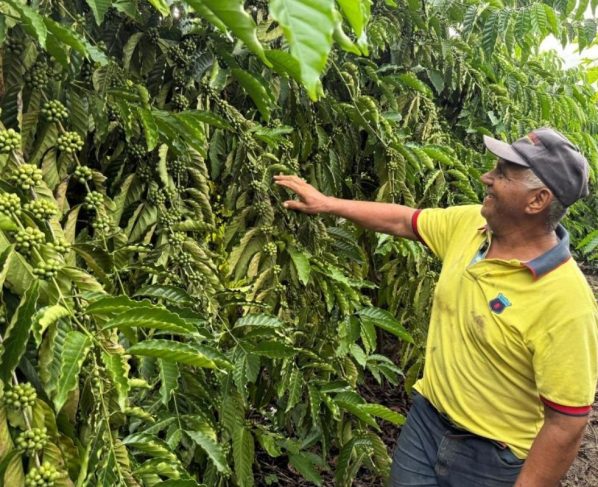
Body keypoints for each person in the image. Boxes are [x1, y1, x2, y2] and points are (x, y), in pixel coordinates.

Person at [274, 127, 598, 487]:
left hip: (492, 459)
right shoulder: (471, 225)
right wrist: (327, 203)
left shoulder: (566, 301)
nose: (486, 177)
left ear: (537, 200)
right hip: (426, 425)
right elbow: (404, 220)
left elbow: (566, 422)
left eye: (503, 173)